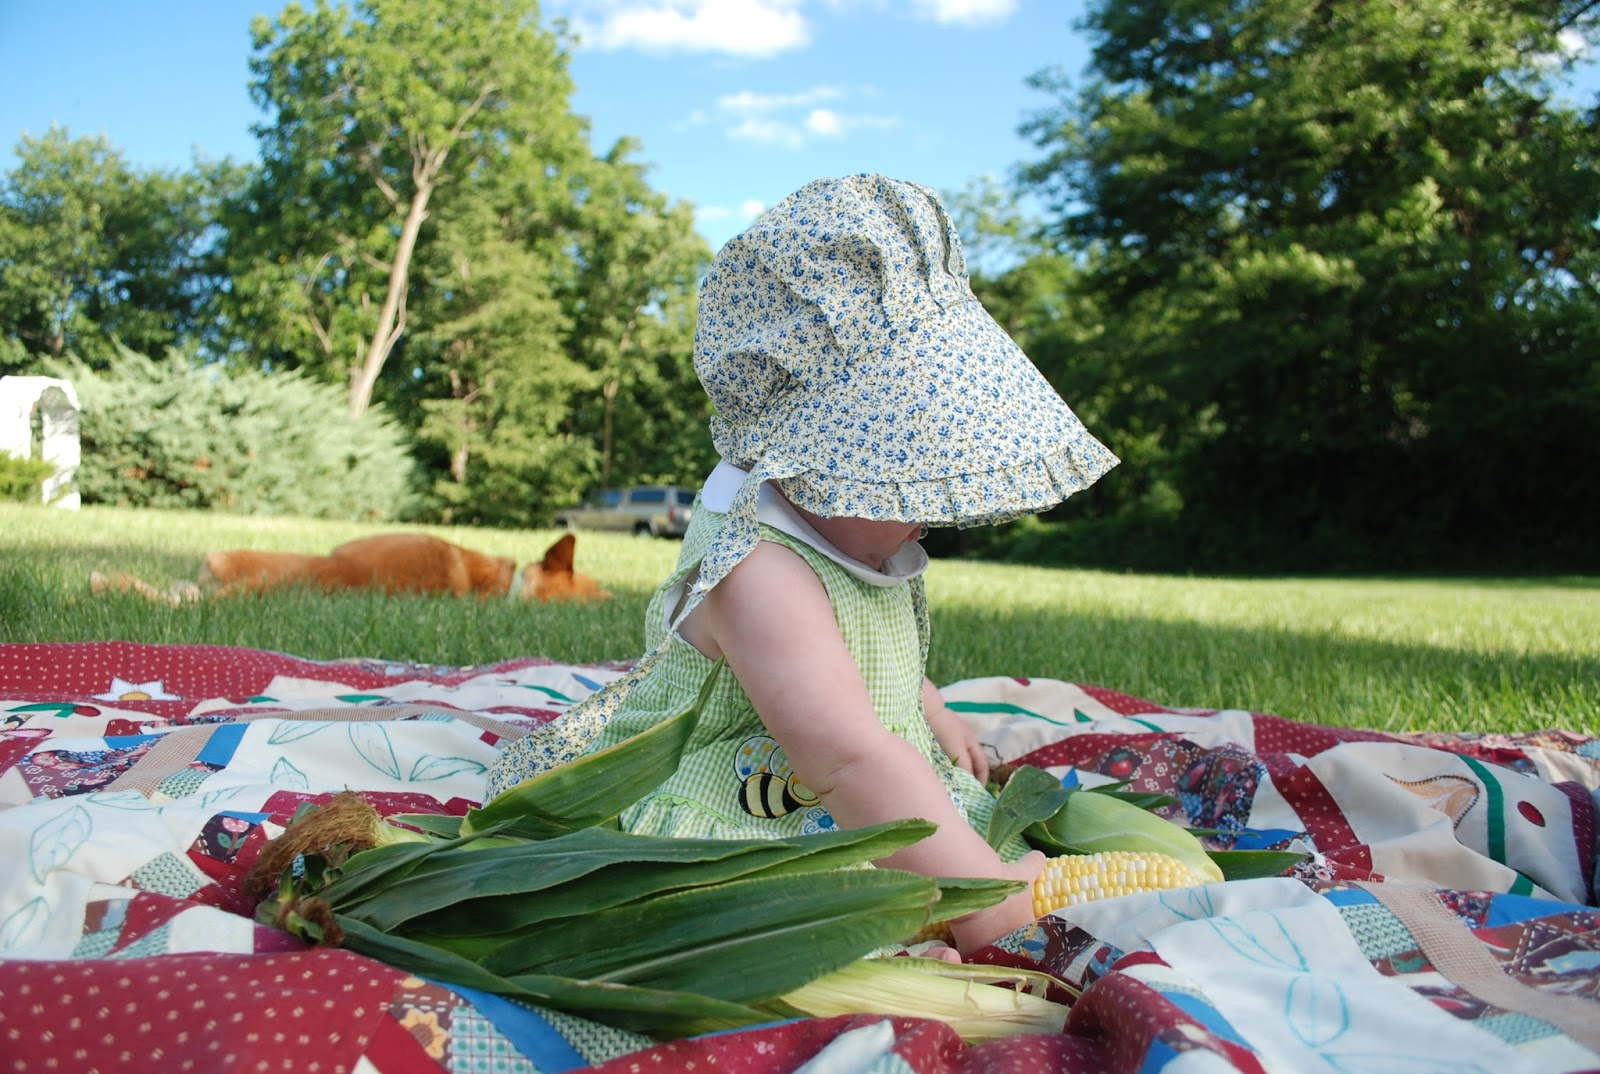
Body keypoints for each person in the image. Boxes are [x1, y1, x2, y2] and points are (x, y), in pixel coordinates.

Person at [487, 173, 1118, 956]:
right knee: (819, 888)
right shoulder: (761, 569)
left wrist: (930, 710)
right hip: (744, 787)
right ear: (816, 450)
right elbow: (846, 757)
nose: (926, 499)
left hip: (837, 762)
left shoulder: (852, 531)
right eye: (902, 466)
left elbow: (855, 664)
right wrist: (978, 900)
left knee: (914, 794)